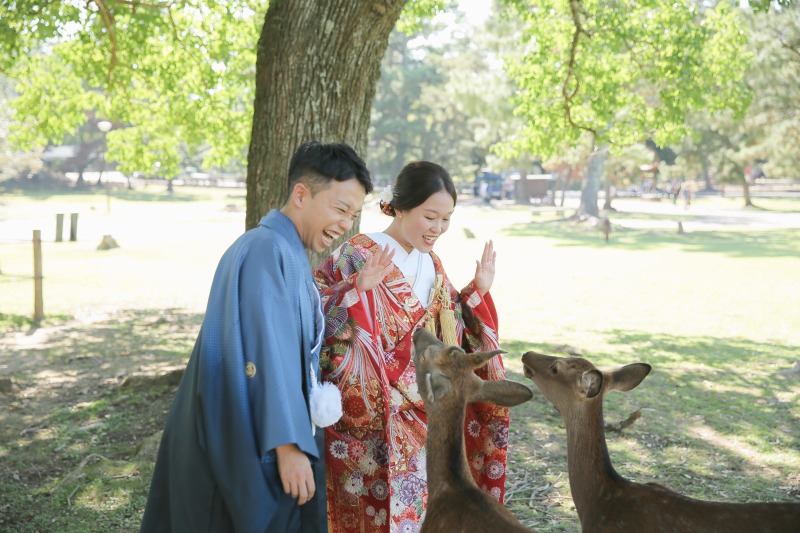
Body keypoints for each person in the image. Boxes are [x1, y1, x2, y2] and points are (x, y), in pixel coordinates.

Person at [140, 141, 373, 533]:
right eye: (340, 209)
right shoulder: (266, 250)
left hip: (252, 425)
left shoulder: (283, 249)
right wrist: (289, 445)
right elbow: (267, 355)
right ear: (301, 194)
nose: (346, 223)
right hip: (249, 435)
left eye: (353, 214)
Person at [315, 161, 510, 532]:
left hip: (424, 417)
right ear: (400, 207)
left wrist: (477, 292)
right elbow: (316, 309)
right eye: (430, 217)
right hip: (371, 415)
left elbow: (451, 326)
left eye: (446, 219)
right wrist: (355, 290)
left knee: (420, 517)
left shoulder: (432, 264)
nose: (438, 229)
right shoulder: (358, 252)